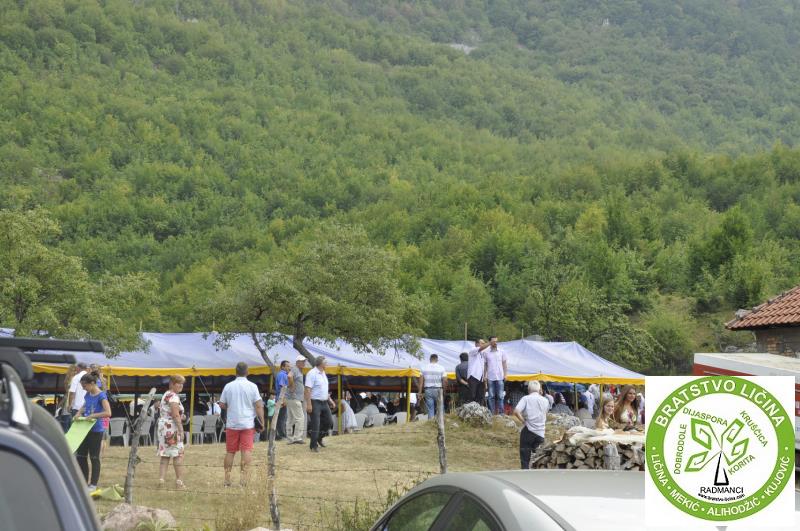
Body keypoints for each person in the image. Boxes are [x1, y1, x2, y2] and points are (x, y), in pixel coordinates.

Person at [219, 362, 265, 486]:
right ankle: (243, 480)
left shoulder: (228, 386)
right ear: (247, 372)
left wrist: (230, 406)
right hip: (248, 423)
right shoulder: (252, 386)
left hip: (232, 423)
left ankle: (227, 480)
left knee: (230, 451)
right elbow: (258, 405)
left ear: (236, 372)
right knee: (246, 451)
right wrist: (262, 421)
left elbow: (222, 404)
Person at [74, 371, 111, 492]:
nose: (83, 388)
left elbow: (108, 412)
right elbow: (85, 405)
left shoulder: (101, 396)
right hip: (84, 429)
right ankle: (84, 483)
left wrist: (94, 415)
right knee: (81, 456)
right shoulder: (88, 394)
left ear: (92, 383)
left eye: (84, 386)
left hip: (96, 430)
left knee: (94, 457)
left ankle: (93, 484)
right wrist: (78, 413)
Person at [157, 375, 186, 489]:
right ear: (172, 384)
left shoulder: (166, 394)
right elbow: (175, 414)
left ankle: (161, 480)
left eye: (182, 384)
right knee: (177, 454)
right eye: (178, 383)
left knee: (165, 454)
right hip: (172, 428)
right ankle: (179, 481)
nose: (181, 386)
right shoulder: (174, 397)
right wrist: (181, 430)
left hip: (163, 427)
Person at [513, 380, 549, 469]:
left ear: (528, 389)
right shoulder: (545, 400)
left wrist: (523, 421)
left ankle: (525, 474)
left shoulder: (526, 398)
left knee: (525, 459)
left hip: (528, 430)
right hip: (541, 432)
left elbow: (516, 411)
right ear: (539, 390)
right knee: (539, 458)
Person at [305, 356, 336, 452]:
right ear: (320, 364)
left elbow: (324, 390)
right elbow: (307, 389)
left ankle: (319, 438)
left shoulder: (323, 373)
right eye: (325, 362)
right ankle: (313, 446)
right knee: (316, 424)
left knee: (329, 422)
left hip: (324, 402)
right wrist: (309, 404)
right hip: (315, 402)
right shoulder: (311, 373)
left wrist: (330, 400)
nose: (327, 364)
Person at [418, 353, 447, 419]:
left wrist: (419, 392)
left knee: (430, 409)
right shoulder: (442, 368)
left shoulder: (423, 367)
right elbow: (445, 381)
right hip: (438, 390)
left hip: (428, 390)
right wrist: (444, 391)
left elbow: (420, 382)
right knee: (440, 408)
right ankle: (441, 421)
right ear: (437, 360)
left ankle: (430, 423)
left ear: (430, 359)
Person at [286, 355, 307, 445]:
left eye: (304, 361)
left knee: (290, 419)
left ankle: (290, 438)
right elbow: (289, 376)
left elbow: (290, 376)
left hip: (292, 398)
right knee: (300, 418)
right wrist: (292, 386)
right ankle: (297, 438)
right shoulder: (295, 369)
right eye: (302, 361)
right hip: (294, 397)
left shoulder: (298, 370)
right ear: (297, 362)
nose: (304, 363)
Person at [485, 336, 508, 415]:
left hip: (500, 377)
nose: (495, 343)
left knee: (500, 396)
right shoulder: (486, 352)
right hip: (490, 377)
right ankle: (492, 413)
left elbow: (504, 364)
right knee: (491, 396)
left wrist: (505, 374)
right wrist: (485, 375)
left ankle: (501, 414)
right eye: (493, 341)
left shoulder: (502, 351)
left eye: (496, 341)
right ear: (490, 342)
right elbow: (485, 365)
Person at [467, 339, 490, 404]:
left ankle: (479, 409)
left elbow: (484, 365)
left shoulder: (483, 353)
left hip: (481, 377)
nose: (483, 345)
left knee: (480, 396)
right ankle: (471, 408)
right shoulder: (473, 349)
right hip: (473, 376)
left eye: (484, 343)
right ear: (476, 344)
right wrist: (490, 343)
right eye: (482, 343)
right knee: (472, 395)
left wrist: (485, 376)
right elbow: (481, 348)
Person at [274, 360, 290, 440]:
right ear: (282, 367)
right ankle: (281, 435)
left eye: (289, 366)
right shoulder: (282, 374)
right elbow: (282, 387)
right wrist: (283, 400)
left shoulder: (283, 374)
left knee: (281, 418)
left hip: (282, 398)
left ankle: (280, 435)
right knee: (281, 418)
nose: (289, 368)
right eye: (287, 366)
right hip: (281, 399)